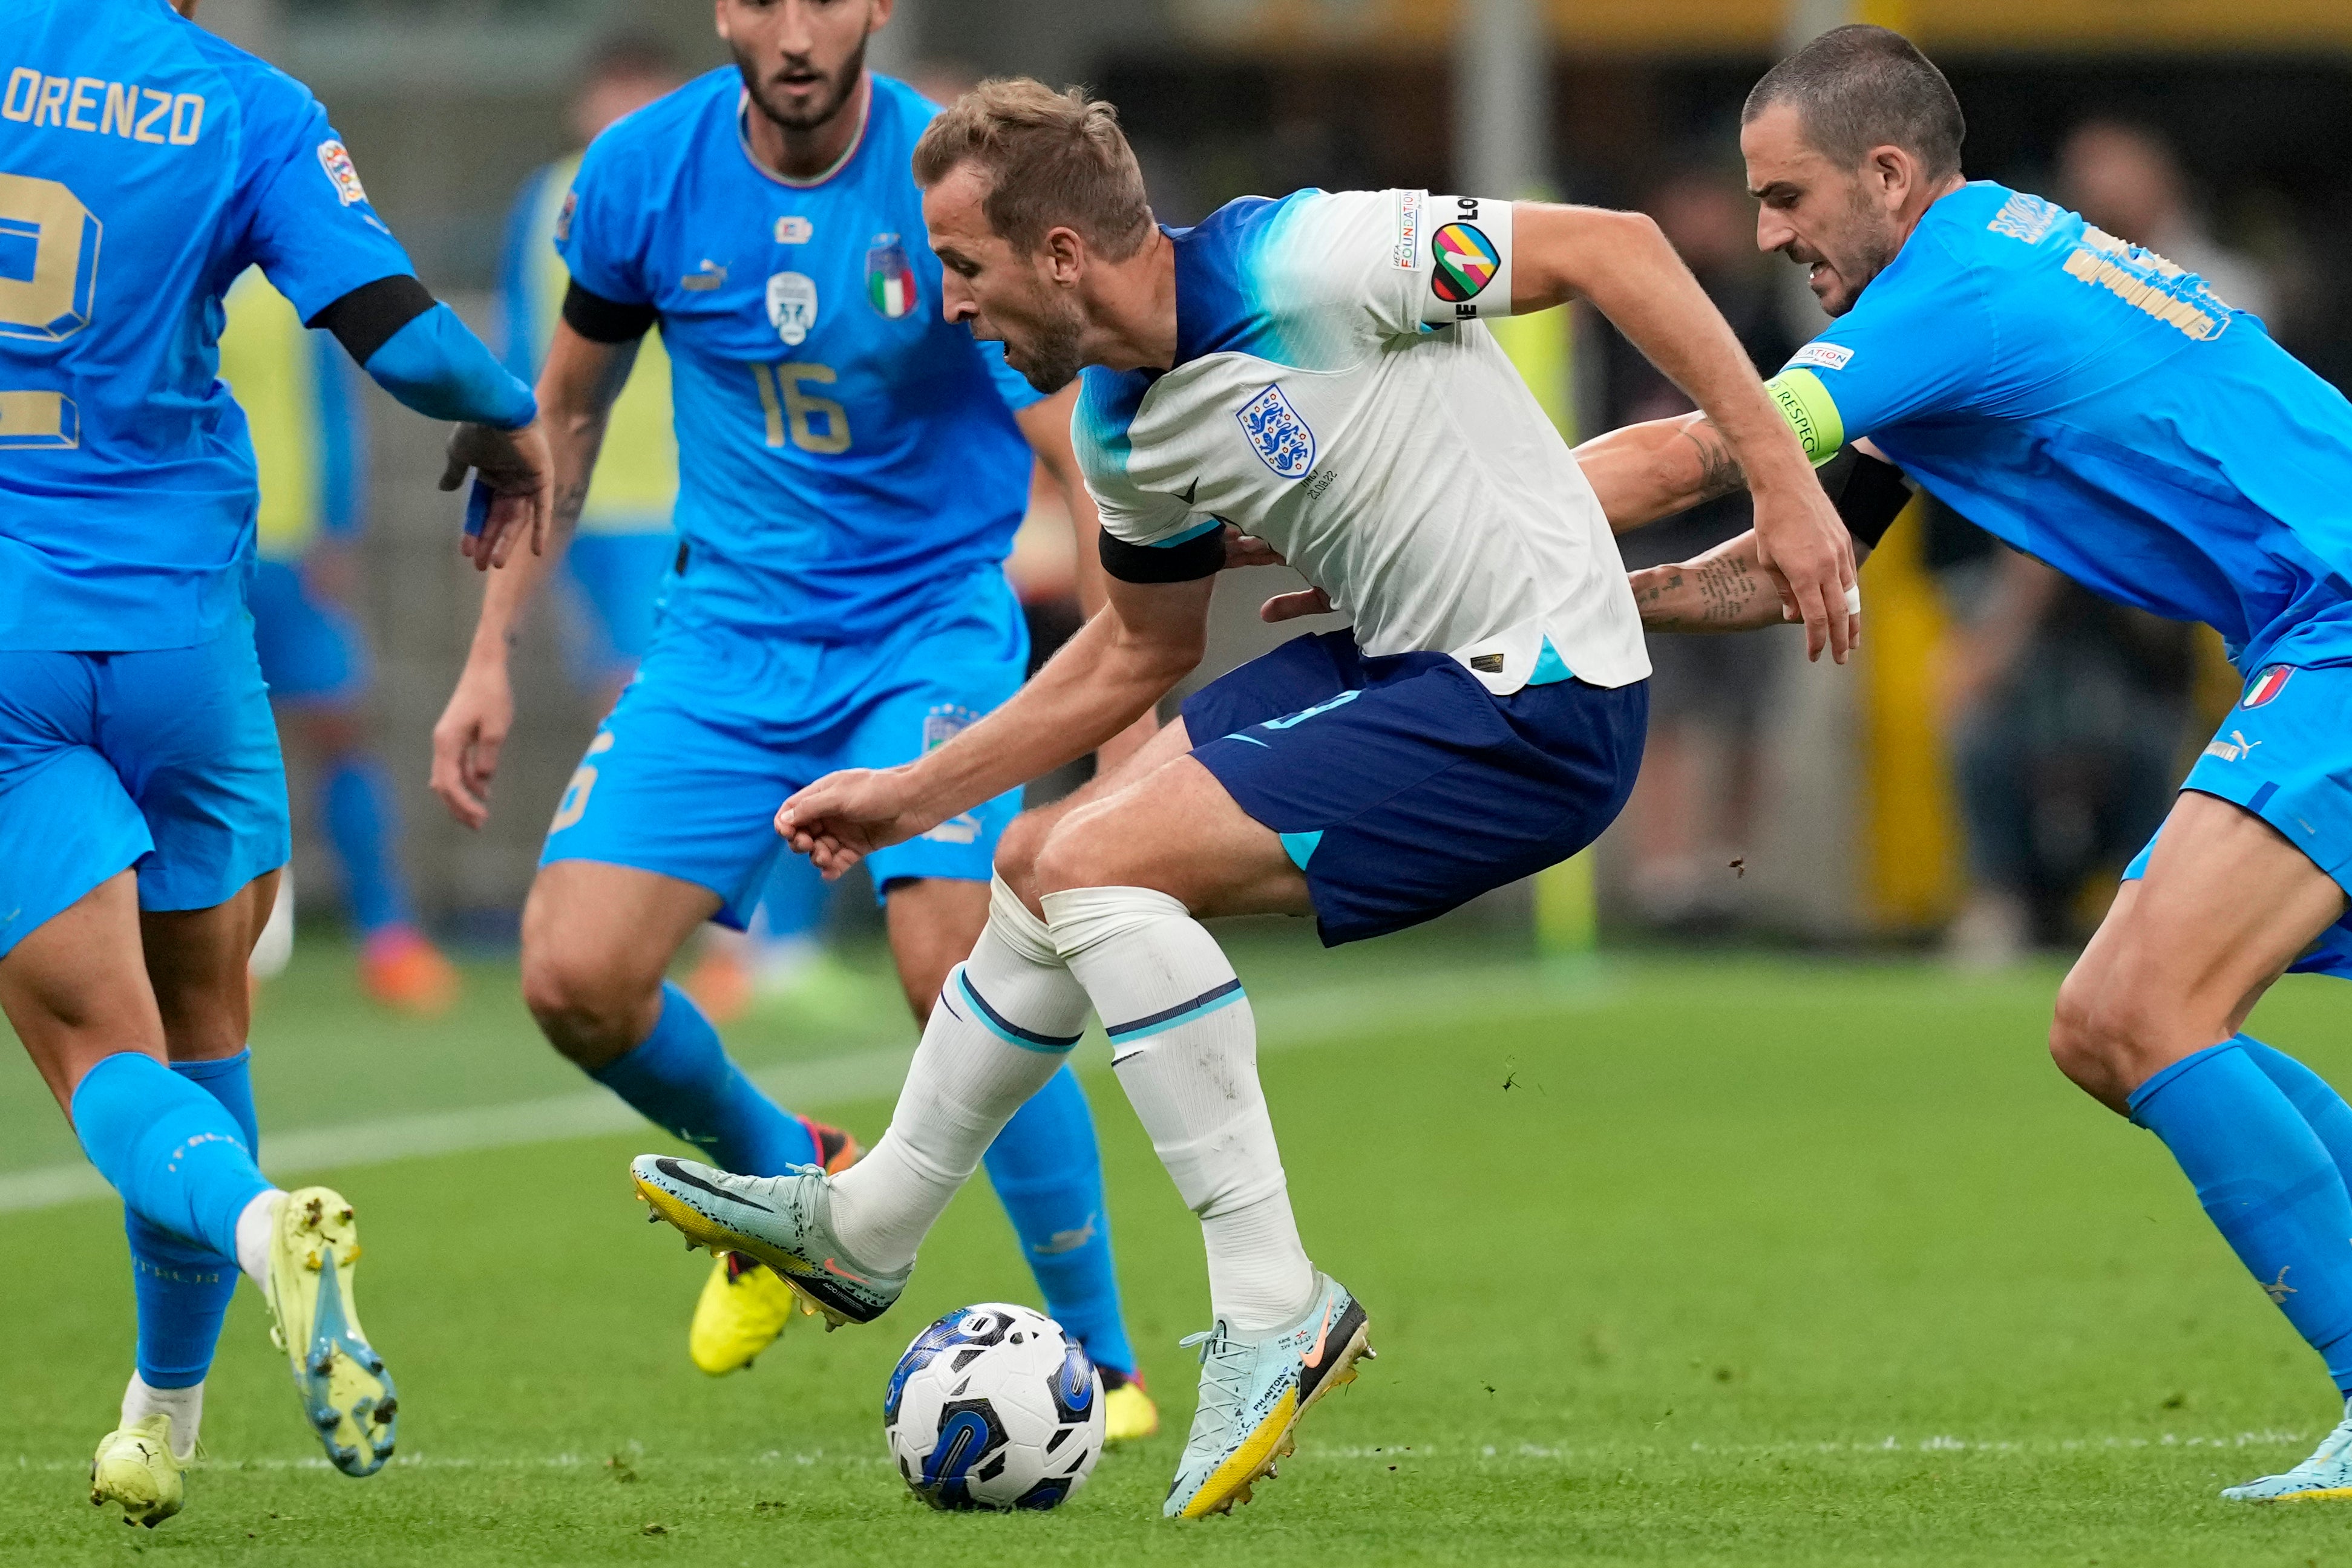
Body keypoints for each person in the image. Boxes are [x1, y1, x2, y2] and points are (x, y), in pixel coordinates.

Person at [626, 77, 1853, 1520]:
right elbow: (1133, 651)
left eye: (963, 266)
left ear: (1064, 256)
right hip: (1404, 666)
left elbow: (1617, 251)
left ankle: (1273, 1303)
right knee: (1035, 858)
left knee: (1097, 869)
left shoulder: (1313, 260)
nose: (945, 305)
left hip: (1540, 695)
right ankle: (870, 1222)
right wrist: (915, 794)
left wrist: (1779, 482)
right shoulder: (1117, 436)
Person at [1579, 24, 2352, 1503]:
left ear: (1886, 173)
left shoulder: (1952, 289)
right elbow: (1782, 563)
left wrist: (1436, 538)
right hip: (2313, 637)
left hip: (2340, 630)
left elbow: (1707, 453)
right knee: (2132, 1020)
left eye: (1788, 197)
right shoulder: (1965, 276)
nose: (1768, 232)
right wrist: (1567, 600)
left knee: (2134, 1008)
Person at [430, 0, 1158, 1437]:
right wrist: (488, 654)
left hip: (925, 629)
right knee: (573, 977)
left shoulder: (951, 182)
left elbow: (1076, 454)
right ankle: (789, 1176)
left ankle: (1104, 1361)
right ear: (725, 11)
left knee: (948, 958)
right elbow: (555, 427)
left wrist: (1125, 718)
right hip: (725, 640)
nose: (797, 28)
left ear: (874, 6)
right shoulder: (640, 174)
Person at [0, 0, 548, 1528]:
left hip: (8, 636)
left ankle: (257, 1235)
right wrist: (511, 422)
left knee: (102, 1060)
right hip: (186, 633)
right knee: (203, 1025)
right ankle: (159, 1423)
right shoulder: (245, 103)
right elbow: (398, 332)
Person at [223, 268, 461, 1013]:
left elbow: (332, 404)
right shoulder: (149, 246)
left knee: (338, 729)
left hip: (290, 547)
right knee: (195, 748)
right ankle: (215, 948)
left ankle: (387, 936)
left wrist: (338, 522)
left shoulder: (283, 269)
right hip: (192, 546)